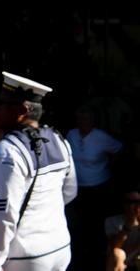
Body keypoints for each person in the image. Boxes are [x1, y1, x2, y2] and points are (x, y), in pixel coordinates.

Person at [0, 72, 77, 271]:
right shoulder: (60, 140)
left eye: (2, 104)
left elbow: (3, 214)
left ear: (22, 110)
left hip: (24, 257)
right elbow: (69, 192)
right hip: (60, 247)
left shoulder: (7, 151)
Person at [66, 106, 123, 270]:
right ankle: (79, 255)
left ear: (92, 121)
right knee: (79, 223)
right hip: (78, 187)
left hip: (99, 186)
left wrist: (109, 164)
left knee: (96, 223)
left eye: (84, 119)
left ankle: (98, 257)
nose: (81, 122)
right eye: (79, 119)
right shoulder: (72, 134)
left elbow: (119, 149)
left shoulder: (101, 137)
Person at [104, 186, 140, 271]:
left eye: (137, 202)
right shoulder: (112, 221)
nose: (133, 206)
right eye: (129, 202)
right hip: (121, 264)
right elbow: (115, 246)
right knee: (117, 254)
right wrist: (128, 226)